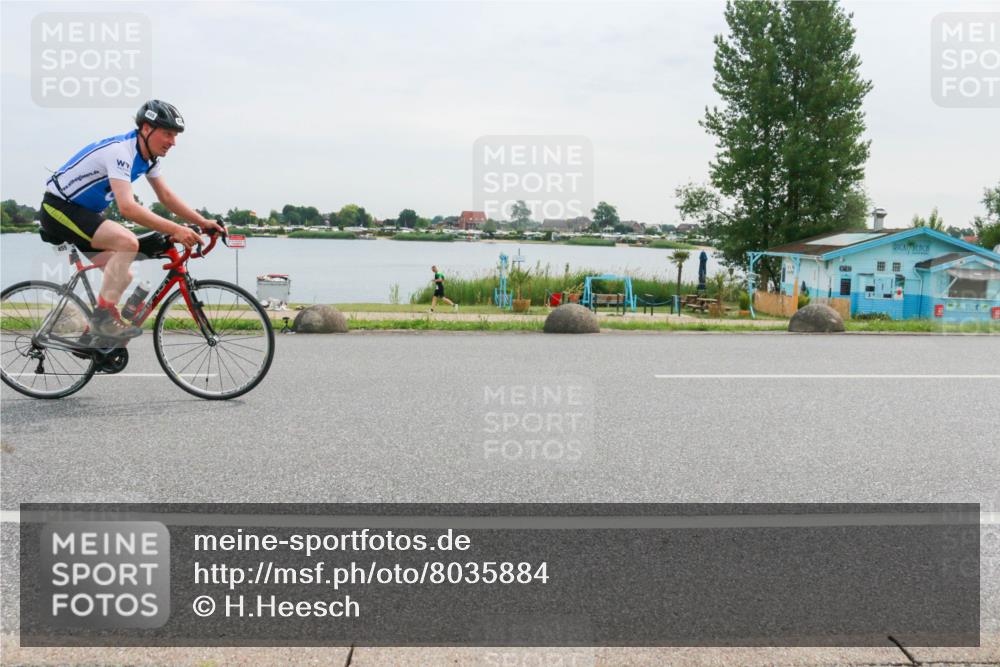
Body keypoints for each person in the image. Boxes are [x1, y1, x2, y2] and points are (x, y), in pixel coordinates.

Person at [39, 99, 223, 339]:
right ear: (146, 129)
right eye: (168, 133)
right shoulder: (121, 152)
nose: (173, 142)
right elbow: (127, 208)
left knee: (123, 273)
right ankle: (102, 319)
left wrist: (203, 222)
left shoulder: (148, 159)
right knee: (128, 242)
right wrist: (176, 229)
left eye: (175, 135)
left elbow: (166, 196)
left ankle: (93, 337)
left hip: (85, 214)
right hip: (60, 209)